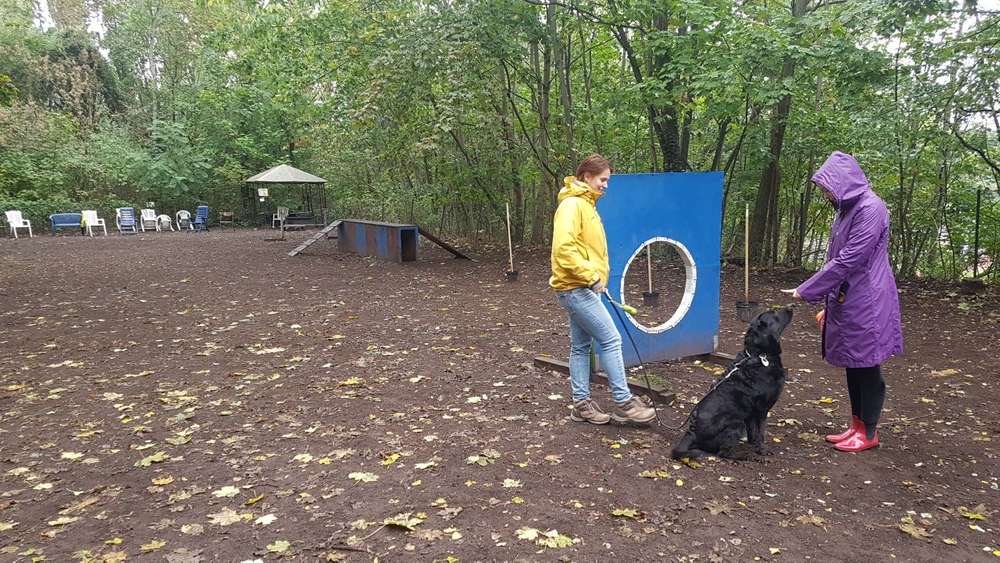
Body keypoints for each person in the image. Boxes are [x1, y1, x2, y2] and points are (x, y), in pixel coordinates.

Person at [782, 151, 903, 452]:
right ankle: (856, 426)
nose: (825, 195)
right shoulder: (845, 209)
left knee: (867, 363)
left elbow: (850, 258)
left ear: (842, 183)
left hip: (868, 299)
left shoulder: (871, 208)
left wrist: (807, 290)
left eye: (827, 189)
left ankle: (869, 432)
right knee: (853, 361)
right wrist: (828, 301)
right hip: (848, 295)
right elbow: (834, 257)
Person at [550, 153, 656, 425]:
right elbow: (563, 249)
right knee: (611, 339)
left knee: (581, 347)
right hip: (576, 287)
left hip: (581, 287)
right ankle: (624, 403)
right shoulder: (572, 205)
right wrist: (590, 276)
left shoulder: (587, 205)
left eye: (608, 180)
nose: (606, 185)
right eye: (603, 179)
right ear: (587, 177)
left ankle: (581, 405)